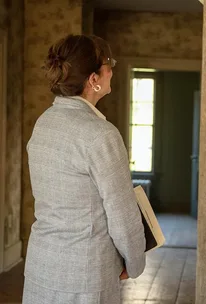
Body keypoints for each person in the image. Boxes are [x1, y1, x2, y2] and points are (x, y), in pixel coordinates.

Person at [22, 34, 146, 304]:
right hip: (86, 276)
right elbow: (122, 214)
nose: (112, 71)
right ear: (94, 79)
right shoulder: (101, 134)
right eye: (109, 64)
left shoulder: (43, 123)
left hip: (41, 267)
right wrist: (136, 263)